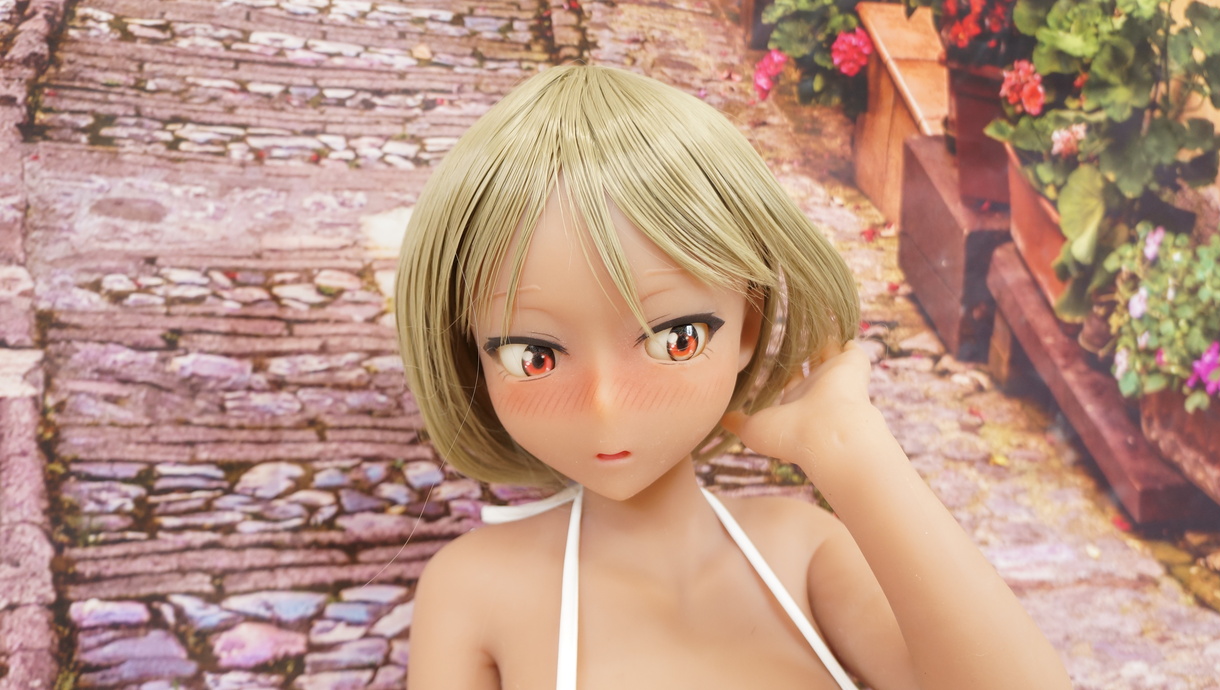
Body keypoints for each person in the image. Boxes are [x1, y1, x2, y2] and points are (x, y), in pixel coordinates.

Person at [394, 63, 1071, 690]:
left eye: (675, 339)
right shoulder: (474, 591)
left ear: (747, 326)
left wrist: (850, 446)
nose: (605, 404)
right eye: (535, 357)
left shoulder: (804, 553)